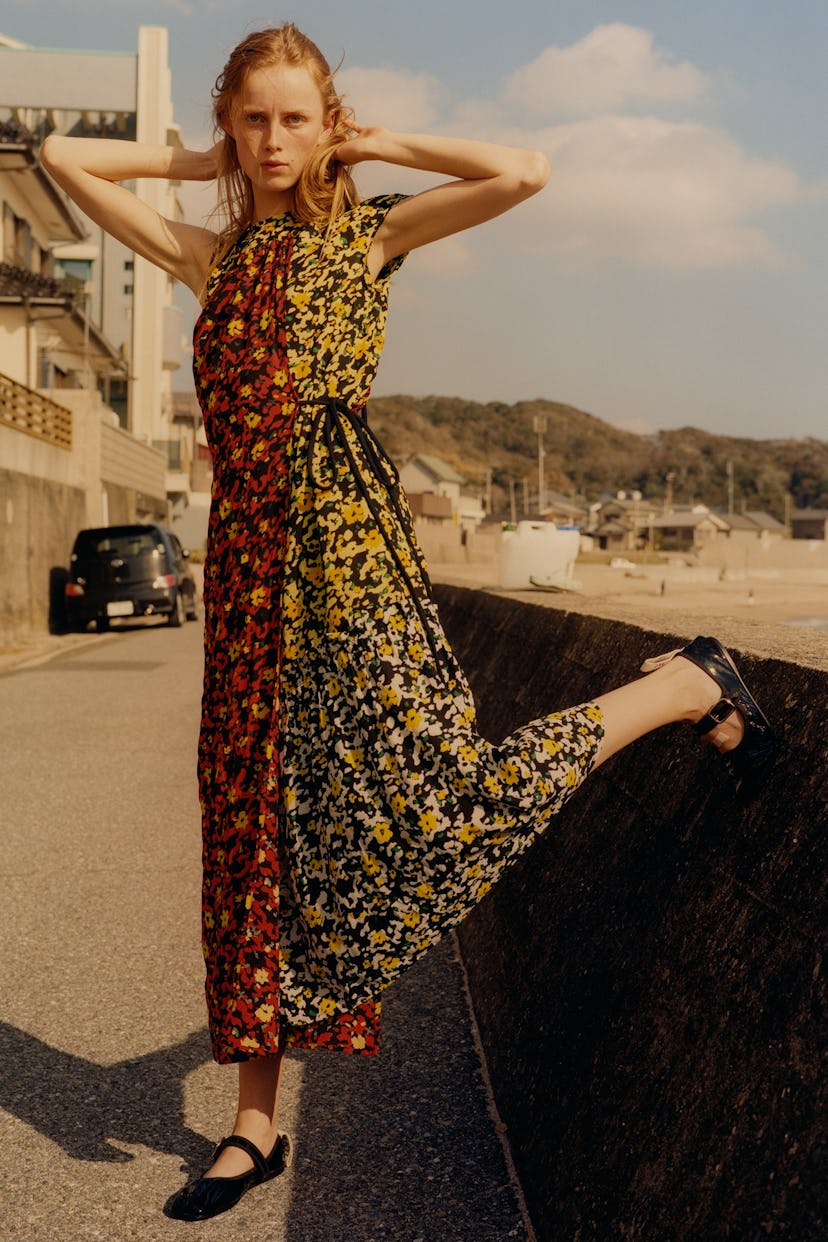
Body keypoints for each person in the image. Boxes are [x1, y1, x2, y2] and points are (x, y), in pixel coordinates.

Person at [41, 22, 777, 1223]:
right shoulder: (210, 255)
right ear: (231, 123)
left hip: (351, 559)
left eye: (296, 118)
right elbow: (69, 157)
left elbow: (525, 170)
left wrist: (372, 141)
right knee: (251, 838)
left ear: (325, 122)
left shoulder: (370, 232)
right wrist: (200, 162)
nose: (275, 141)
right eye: (254, 118)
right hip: (246, 579)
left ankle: (684, 683)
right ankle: (255, 1126)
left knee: (434, 806)